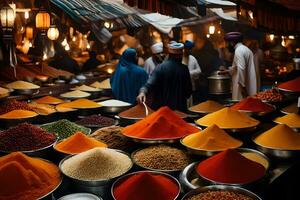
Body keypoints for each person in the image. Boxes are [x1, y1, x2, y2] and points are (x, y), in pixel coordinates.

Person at [137, 42, 192, 111]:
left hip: (161, 110)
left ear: (169, 54)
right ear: (181, 55)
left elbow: (149, 85)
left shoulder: (160, 67)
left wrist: (142, 92)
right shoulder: (184, 69)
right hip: (179, 111)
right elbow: (188, 92)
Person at [219, 32, 257, 100]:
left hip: (241, 90)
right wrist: (228, 71)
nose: (226, 46)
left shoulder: (238, 51)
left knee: (239, 108)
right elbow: (238, 67)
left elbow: (241, 68)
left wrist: (243, 87)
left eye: (227, 43)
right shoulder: (246, 49)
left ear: (231, 43)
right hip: (249, 86)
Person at [183, 40, 202, 105]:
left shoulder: (192, 58)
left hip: (190, 86)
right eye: (189, 49)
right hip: (181, 87)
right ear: (185, 49)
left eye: (191, 49)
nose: (191, 51)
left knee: (190, 104)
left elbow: (199, 70)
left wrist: (189, 73)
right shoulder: (179, 58)